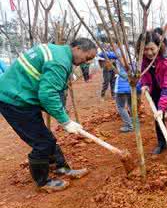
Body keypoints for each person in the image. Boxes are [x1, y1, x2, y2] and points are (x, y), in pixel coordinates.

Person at [0, 38, 97, 192]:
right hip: (14, 100)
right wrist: (65, 121)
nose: (87, 62)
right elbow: (48, 94)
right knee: (42, 142)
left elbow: (46, 90)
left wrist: (62, 115)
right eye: (88, 57)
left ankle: (60, 168)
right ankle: (43, 182)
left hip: (22, 94)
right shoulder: (59, 61)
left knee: (47, 138)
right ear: (78, 48)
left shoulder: (57, 51)